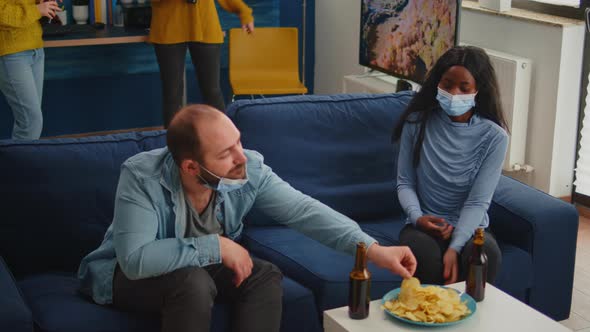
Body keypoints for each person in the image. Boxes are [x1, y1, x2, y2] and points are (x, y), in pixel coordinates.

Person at [78, 104, 417, 332]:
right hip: (131, 274)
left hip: (196, 269)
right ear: (191, 167)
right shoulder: (141, 177)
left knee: (263, 274)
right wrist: (218, 246)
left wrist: (373, 249)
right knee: (193, 282)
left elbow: (305, 210)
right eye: (226, 154)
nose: (242, 158)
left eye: (238, 143)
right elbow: (137, 259)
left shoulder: (248, 168)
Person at [393, 46, 509, 286]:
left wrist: (455, 246)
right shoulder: (416, 122)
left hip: (470, 228)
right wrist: (417, 217)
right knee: (424, 257)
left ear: (478, 90)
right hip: (423, 225)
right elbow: (405, 182)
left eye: (464, 88)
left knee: (486, 255)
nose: (454, 93)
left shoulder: (495, 138)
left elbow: (478, 202)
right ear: (437, 83)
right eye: (447, 84)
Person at [149, 0, 253, 127]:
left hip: (205, 25)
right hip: (168, 27)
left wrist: (244, 12)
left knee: (212, 91)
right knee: (172, 93)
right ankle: (174, 144)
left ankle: (223, 140)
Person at [0, 0, 61, 139]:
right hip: (11, 52)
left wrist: (45, 3)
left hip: (36, 49)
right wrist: (37, 10)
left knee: (29, 121)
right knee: (30, 122)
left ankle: (21, 159)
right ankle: (19, 161)